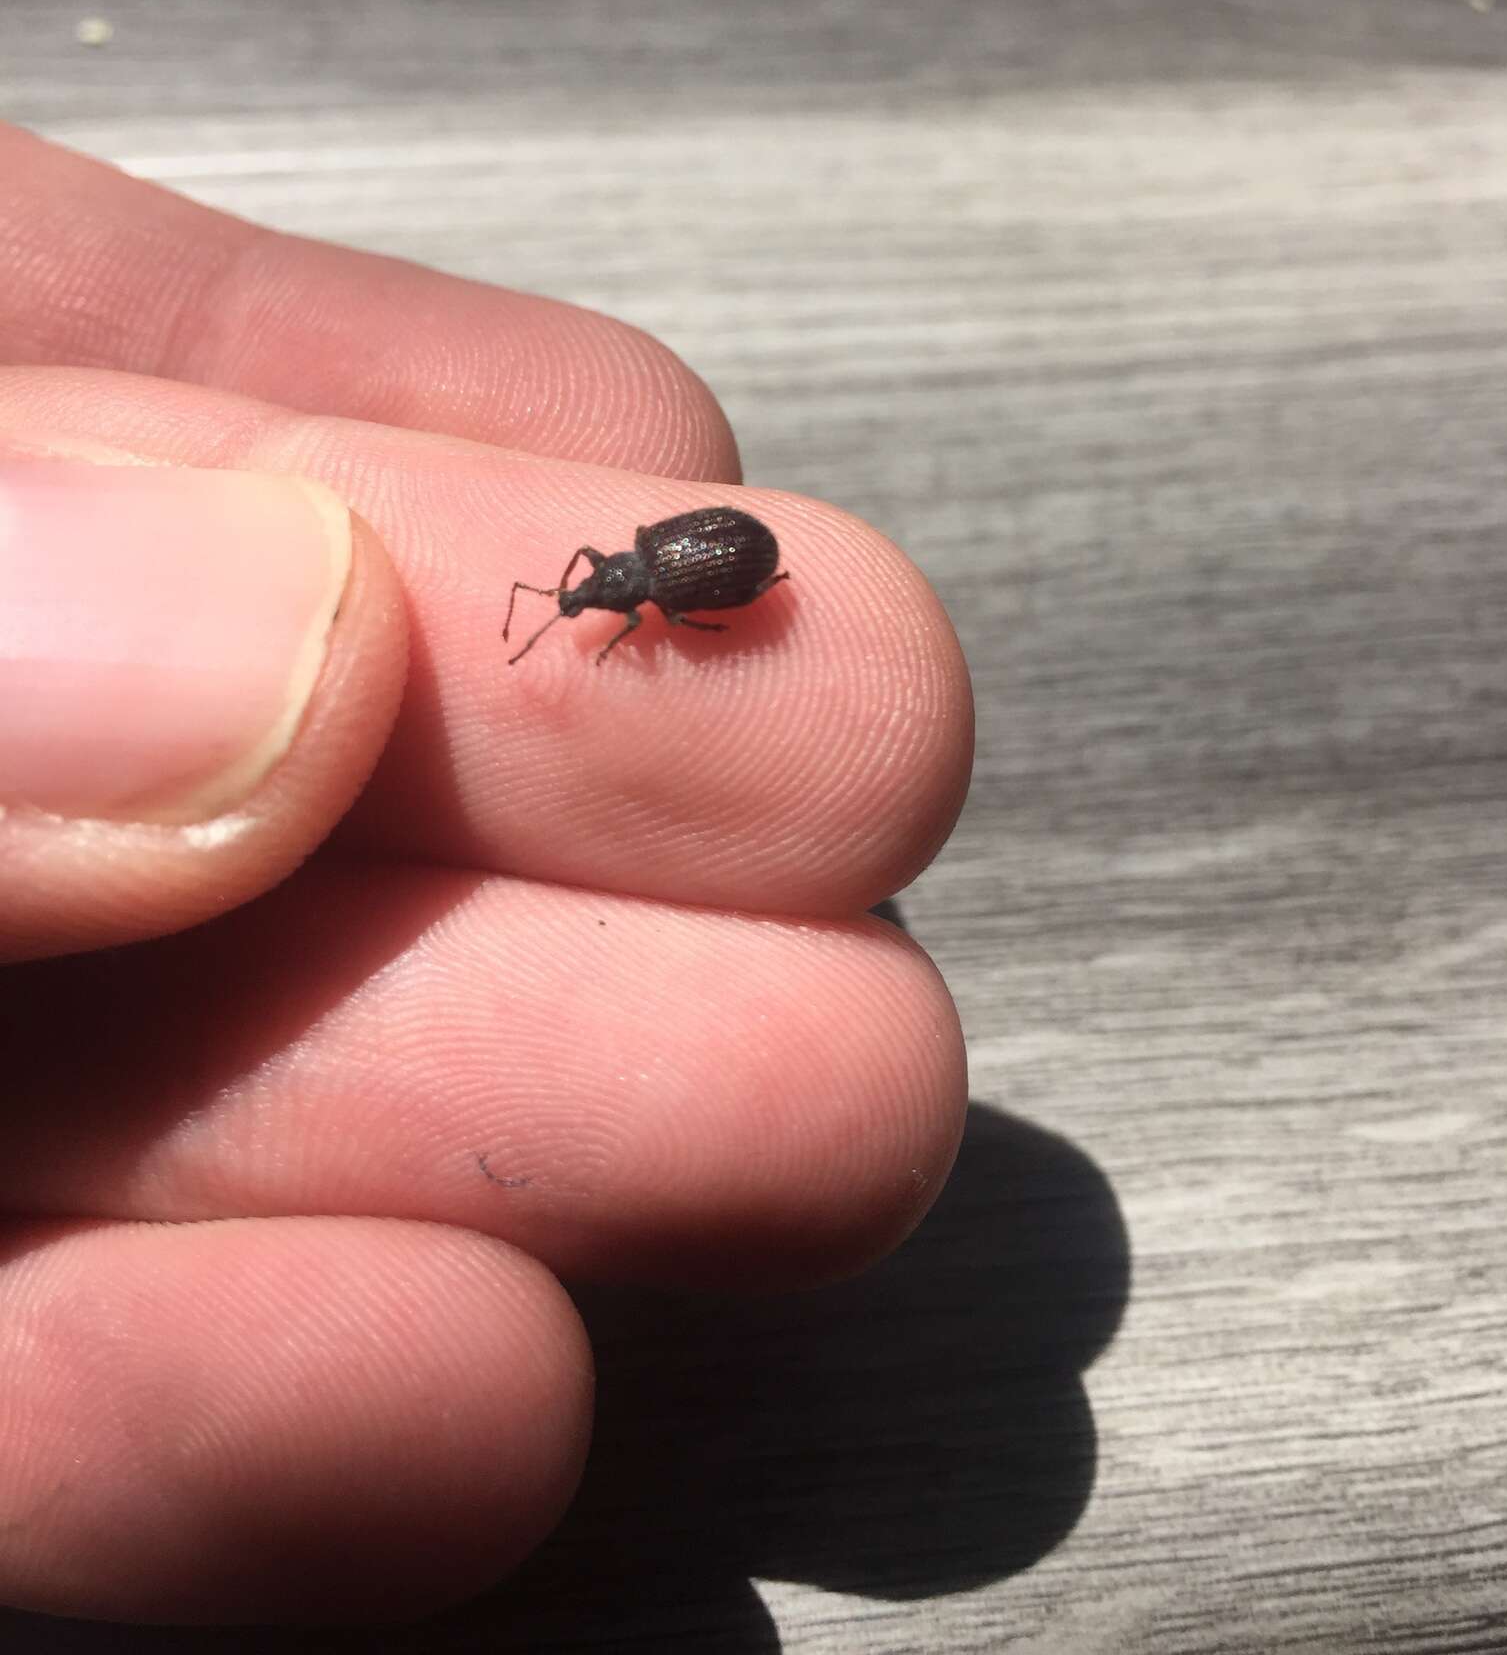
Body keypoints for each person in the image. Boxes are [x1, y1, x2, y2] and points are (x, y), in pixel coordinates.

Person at [0, 122, 973, 1625]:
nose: (593, 598)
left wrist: (701, 593)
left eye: (595, 593)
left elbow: (709, 577)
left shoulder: (665, 584)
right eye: (597, 595)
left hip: (737, 562)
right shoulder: (631, 586)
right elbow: (662, 582)